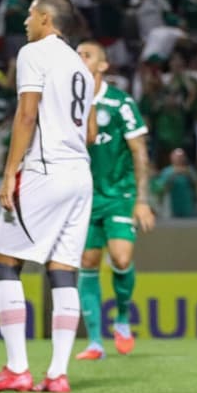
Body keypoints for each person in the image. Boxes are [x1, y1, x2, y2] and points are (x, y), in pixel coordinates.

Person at [0, 0, 96, 393]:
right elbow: (90, 131)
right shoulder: (79, 64)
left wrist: (10, 172)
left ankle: (17, 369)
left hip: (46, 170)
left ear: (45, 18)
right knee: (62, 270)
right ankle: (57, 374)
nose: (25, 21)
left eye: (29, 14)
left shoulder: (34, 52)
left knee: (5, 262)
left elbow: (27, 114)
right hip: (80, 174)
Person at [74, 41, 155, 361]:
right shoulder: (69, 104)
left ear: (103, 66)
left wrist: (142, 200)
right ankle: (95, 342)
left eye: (87, 55)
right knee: (88, 262)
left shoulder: (120, 103)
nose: (80, 59)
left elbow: (139, 151)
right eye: (77, 55)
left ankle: (121, 318)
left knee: (121, 259)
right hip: (84, 196)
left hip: (120, 195)